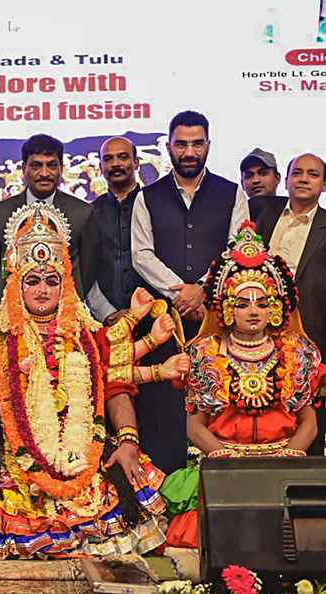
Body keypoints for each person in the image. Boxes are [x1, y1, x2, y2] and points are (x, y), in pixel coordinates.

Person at [0, 202, 184, 559]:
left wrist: (128, 441)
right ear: (17, 285)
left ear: (65, 285)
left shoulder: (90, 337)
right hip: (14, 467)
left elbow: (117, 388)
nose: (43, 290)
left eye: (52, 281)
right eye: (33, 281)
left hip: (86, 462)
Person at [160, 222, 322, 548]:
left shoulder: (294, 353)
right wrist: (222, 456)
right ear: (226, 309)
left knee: (291, 544)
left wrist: (292, 453)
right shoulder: (205, 353)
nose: (253, 311)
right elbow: (195, 426)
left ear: (275, 309)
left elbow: (309, 421)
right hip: (223, 466)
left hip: (281, 465)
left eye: (262, 303)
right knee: (210, 543)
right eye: (243, 303)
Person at [131, 110, 249, 474]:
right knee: (163, 409)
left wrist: (202, 289)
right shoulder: (146, 196)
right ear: (168, 147)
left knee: (218, 402)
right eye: (181, 144)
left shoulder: (232, 193)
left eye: (197, 144)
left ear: (208, 146)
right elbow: (141, 254)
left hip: (216, 318)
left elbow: (238, 248)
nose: (189, 151)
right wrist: (181, 291)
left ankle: (222, 482)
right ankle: (165, 493)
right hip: (161, 324)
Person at [252, 152, 326, 454]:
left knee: (308, 425)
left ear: (323, 185)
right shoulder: (261, 214)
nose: (304, 179)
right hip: (255, 337)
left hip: (311, 339)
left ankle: (305, 498)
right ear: (286, 179)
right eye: (298, 173)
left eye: (312, 174)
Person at [0, 134, 97, 303]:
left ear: (61, 168)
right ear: (23, 169)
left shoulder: (82, 212)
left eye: (51, 165)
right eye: (36, 166)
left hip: (66, 316)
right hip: (11, 315)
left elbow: (87, 272)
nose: (44, 173)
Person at [87, 137, 147, 321]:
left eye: (123, 157)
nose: (115, 164)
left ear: (136, 162)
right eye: (108, 159)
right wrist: (107, 313)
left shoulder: (156, 206)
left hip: (156, 318)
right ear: (100, 166)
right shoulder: (89, 214)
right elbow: (84, 271)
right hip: (107, 323)